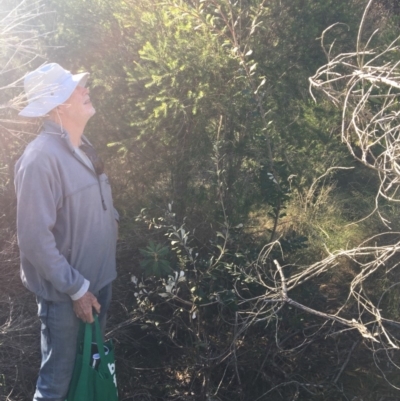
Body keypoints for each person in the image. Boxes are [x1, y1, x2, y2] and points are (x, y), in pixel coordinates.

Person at [14, 63, 119, 401]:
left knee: (84, 372)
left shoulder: (83, 145)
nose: (86, 89)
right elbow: (33, 238)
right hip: (67, 297)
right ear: (59, 104)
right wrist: (76, 290)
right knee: (56, 385)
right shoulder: (40, 159)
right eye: (76, 88)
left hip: (99, 283)